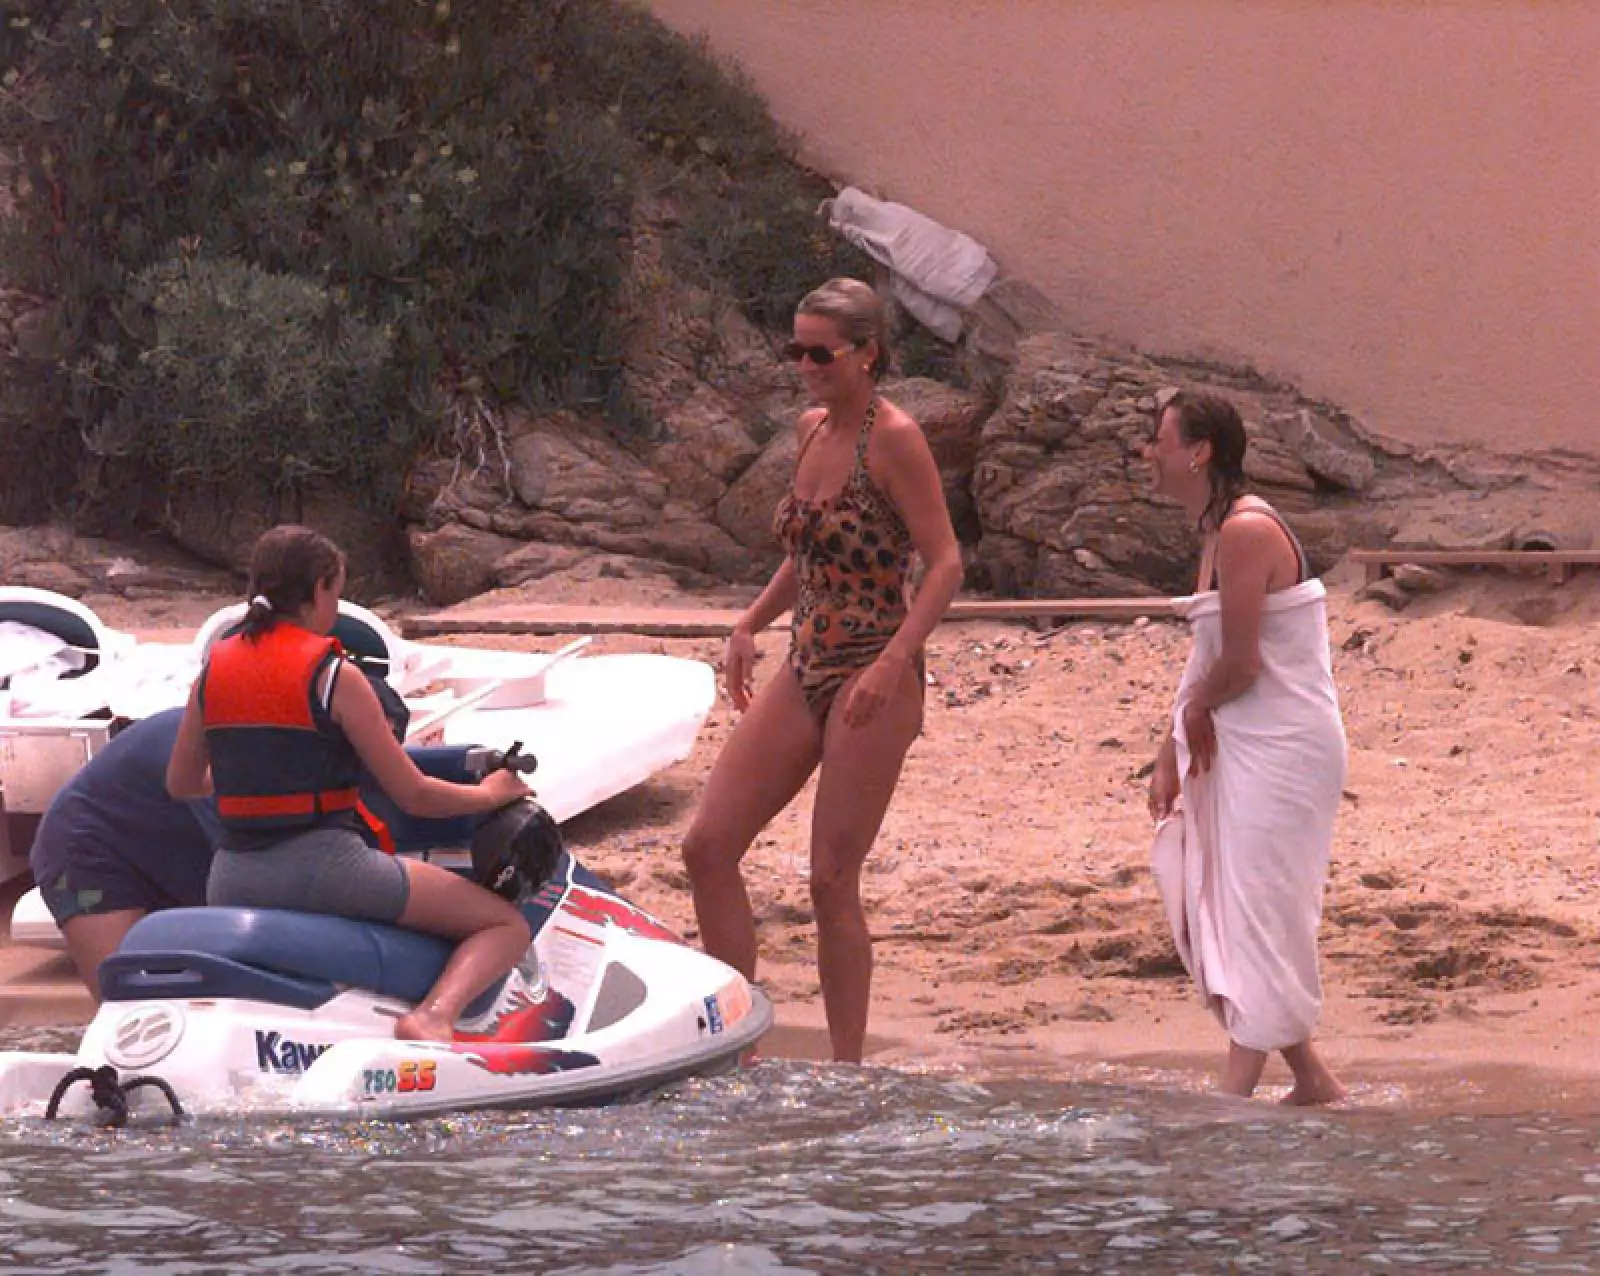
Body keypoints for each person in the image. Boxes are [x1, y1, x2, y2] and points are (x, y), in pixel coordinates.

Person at [681, 278, 963, 1063]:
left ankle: (847, 1068)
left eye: (820, 352)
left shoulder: (894, 438)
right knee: (707, 846)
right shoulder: (810, 431)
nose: (804, 365)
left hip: (877, 670)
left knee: (831, 878)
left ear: (868, 354)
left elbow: (944, 562)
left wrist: (895, 660)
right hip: (806, 659)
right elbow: (805, 554)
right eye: (794, 349)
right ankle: (731, 1045)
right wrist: (748, 622)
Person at [166, 524, 533, 1042]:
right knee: (503, 925)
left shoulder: (213, 672)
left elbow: (182, 783)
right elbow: (415, 795)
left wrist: (253, 781)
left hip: (230, 876)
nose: (334, 608)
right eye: (335, 593)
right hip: (327, 869)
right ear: (319, 588)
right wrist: (490, 794)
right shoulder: (334, 675)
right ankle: (434, 1016)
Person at [1143, 390, 1347, 1104]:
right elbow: (1208, 658)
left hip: (1286, 744)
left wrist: (1195, 709)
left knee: (1260, 904)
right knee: (1242, 901)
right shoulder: (1216, 530)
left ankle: (1233, 1099)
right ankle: (1314, 1083)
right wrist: (1166, 747)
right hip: (1245, 737)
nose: (1149, 454)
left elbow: (1242, 664)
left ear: (1198, 452)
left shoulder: (1245, 530)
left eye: (1157, 440)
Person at [29, 709, 222, 1001]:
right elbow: (248, 874)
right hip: (86, 849)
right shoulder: (224, 751)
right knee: (131, 1009)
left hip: (170, 847)